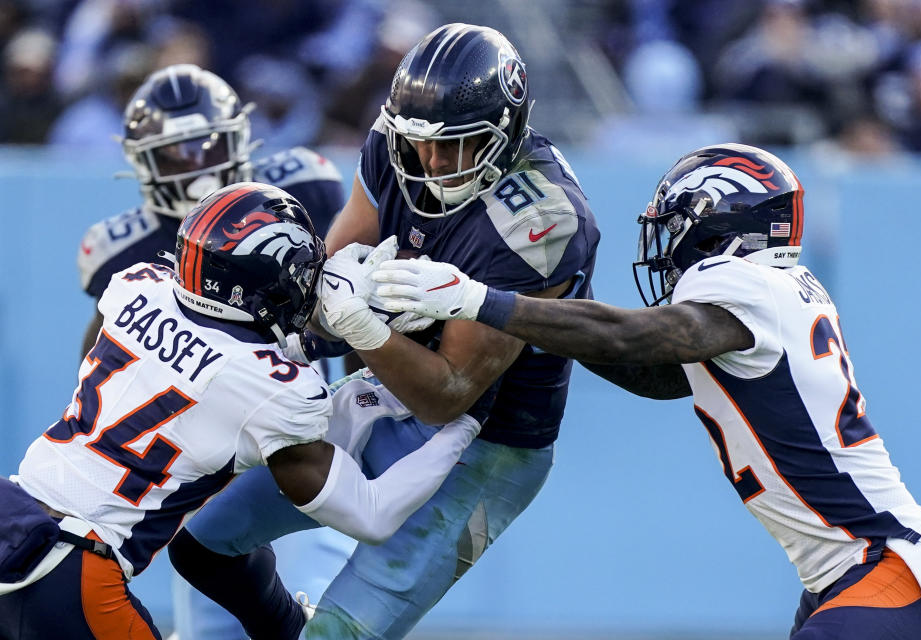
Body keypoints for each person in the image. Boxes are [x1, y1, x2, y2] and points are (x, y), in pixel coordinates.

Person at [371, 143, 921, 639]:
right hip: (863, 571)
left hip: (879, 568)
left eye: (673, 225)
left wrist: (482, 301)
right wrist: (541, 314)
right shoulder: (779, 292)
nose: (665, 244)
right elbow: (662, 379)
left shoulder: (739, 282)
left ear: (716, 223)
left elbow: (636, 338)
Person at [166, 23, 601, 640]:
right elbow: (329, 280)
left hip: (489, 439)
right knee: (202, 544)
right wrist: (335, 304)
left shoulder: (541, 220)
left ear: (506, 135)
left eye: (458, 145)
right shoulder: (398, 139)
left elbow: (449, 393)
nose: (431, 161)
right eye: (419, 142)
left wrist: (362, 325)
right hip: (386, 392)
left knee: (340, 635)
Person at [0, 182, 481, 640]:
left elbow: (216, 352)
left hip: (12, 512)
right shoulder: (275, 390)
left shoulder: (133, 284)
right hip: (72, 569)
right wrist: (461, 429)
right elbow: (371, 515)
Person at [72, 63, 360, 640]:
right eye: (176, 153)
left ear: (239, 139)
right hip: (206, 461)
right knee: (219, 623)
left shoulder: (302, 185)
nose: (197, 165)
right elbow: (98, 361)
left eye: (207, 145)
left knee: (324, 608)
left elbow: (350, 319)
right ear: (142, 161)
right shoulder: (118, 252)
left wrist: (367, 413)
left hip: (298, 433)